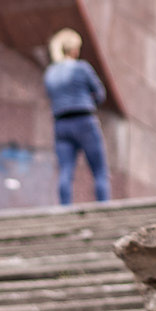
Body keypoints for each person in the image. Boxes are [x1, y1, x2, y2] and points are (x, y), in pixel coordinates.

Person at [45, 29, 111, 204]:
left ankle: (65, 210)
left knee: (65, 171)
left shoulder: (50, 73)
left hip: (61, 123)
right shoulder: (81, 68)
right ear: (74, 49)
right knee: (99, 171)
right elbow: (100, 94)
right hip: (84, 120)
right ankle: (104, 208)